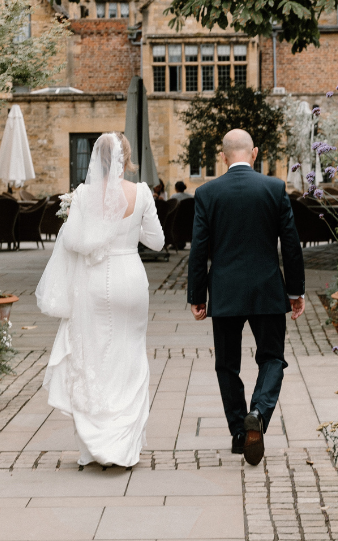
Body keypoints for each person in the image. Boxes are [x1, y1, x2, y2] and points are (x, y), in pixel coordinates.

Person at [36, 133, 165, 467]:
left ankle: (93, 447)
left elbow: (76, 241)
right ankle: (123, 445)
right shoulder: (141, 192)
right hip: (131, 279)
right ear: (127, 157)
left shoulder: (83, 194)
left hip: (94, 284)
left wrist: (97, 229)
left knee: (92, 357)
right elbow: (157, 242)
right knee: (130, 356)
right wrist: (130, 227)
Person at [187, 129, 305, 466]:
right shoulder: (274, 188)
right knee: (272, 358)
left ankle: (240, 433)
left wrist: (197, 295)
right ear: (254, 153)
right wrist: (295, 291)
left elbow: (199, 251)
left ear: (223, 156)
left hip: (224, 292)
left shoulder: (207, 193)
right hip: (268, 289)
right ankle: (259, 411)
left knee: (227, 364)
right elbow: (291, 245)